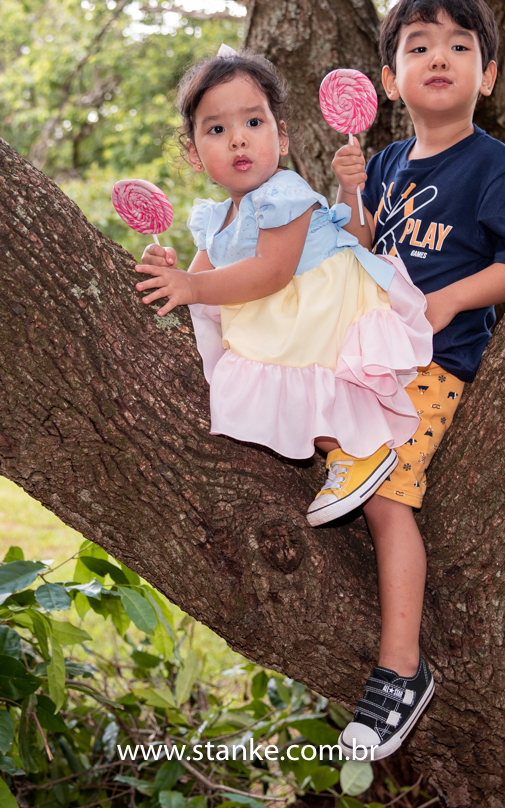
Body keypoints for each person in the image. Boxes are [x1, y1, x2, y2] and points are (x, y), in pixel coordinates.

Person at [329, 0, 505, 759]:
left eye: (460, 46)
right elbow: (359, 247)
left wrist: (447, 301)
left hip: (434, 361)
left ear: (486, 76)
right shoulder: (388, 160)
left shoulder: (492, 165)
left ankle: (400, 670)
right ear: (389, 80)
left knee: (388, 497)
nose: (439, 57)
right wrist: (353, 193)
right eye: (419, 45)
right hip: (370, 356)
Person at [134, 49, 433, 526]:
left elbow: (271, 271)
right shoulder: (219, 217)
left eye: (253, 123)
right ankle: (343, 451)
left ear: (282, 136)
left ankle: (354, 454)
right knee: (275, 369)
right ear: (193, 152)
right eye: (216, 130)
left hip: (324, 303)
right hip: (287, 308)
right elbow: (200, 289)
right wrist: (169, 272)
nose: (237, 140)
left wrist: (191, 284)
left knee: (309, 376)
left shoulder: (283, 193)